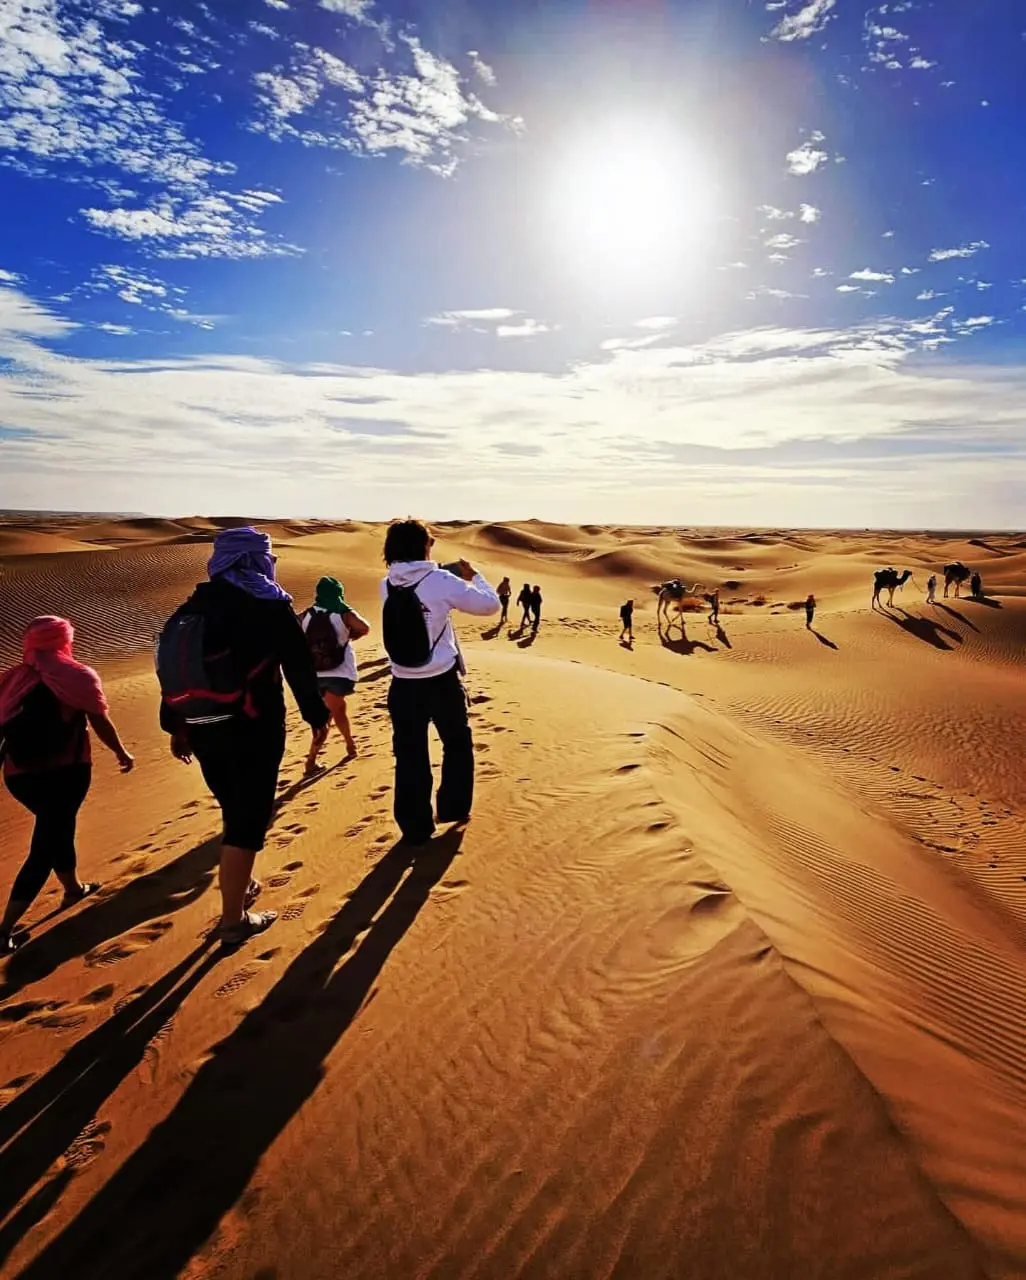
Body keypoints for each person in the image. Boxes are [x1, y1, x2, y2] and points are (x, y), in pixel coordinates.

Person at [158, 527, 330, 949]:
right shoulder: (268, 603)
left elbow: (174, 669)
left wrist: (178, 726)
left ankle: (242, 881)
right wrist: (316, 715)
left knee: (234, 807)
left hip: (201, 728)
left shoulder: (193, 605)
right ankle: (234, 921)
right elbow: (298, 666)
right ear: (257, 560)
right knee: (248, 821)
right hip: (253, 726)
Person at [0, 616, 134, 953]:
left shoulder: (11, 680)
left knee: (57, 828)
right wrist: (121, 752)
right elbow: (99, 721)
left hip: (20, 778)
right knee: (46, 844)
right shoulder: (76, 676)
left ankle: (73, 888)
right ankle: (4, 930)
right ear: (64, 641)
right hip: (66, 774)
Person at [380, 519, 499, 845]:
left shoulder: (386, 584)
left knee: (409, 753)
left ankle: (414, 825)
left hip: (402, 684)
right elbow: (490, 605)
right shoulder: (441, 581)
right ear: (423, 547)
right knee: (457, 744)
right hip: (440, 682)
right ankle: (453, 807)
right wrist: (476, 577)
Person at [300, 576, 370, 773]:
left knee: (337, 710)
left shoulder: (306, 614)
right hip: (339, 672)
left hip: (314, 674)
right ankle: (311, 761)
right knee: (327, 717)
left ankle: (350, 745)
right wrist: (349, 635)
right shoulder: (344, 613)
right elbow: (364, 627)